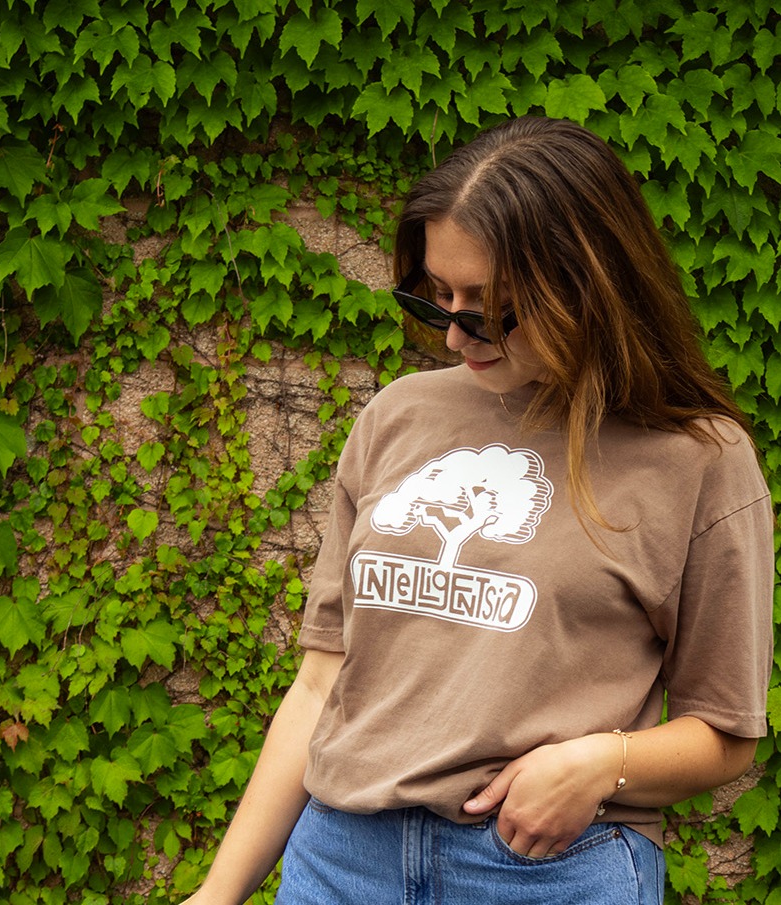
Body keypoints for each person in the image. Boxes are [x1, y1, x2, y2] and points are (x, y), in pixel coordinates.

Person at [182, 116, 775, 905]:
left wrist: (602, 761)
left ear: (586, 282)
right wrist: (216, 894)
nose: (456, 335)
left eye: (488, 307)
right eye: (438, 299)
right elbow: (321, 684)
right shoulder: (396, 419)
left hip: (548, 869)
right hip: (340, 861)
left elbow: (726, 730)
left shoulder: (697, 459)